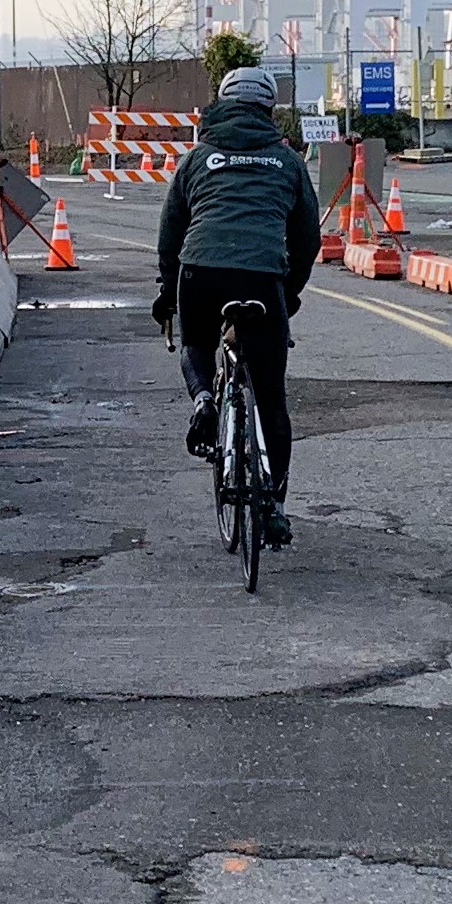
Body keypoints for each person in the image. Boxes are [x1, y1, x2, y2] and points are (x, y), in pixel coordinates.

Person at [151, 63, 322, 546]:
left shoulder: (197, 158)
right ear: (270, 110)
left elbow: (170, 234)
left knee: (197, 342)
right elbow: (307, 237)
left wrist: (169, 290)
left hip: (199, 271)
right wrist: (289, 294)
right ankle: (275, 507)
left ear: (221, 106)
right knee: (270, 398)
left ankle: (204, 398)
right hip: (263, 278)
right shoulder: (287, 163)